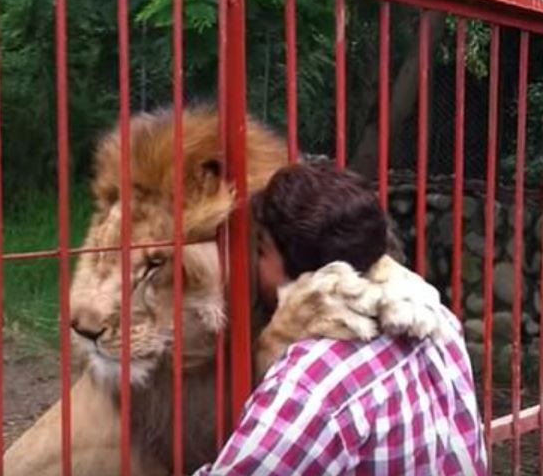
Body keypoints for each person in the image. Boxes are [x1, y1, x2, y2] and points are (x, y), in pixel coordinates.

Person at [191, 163, 487, 475]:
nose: (251, 264)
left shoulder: (312, 384)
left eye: (261, 250)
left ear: (304, 272)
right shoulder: (438, 319)